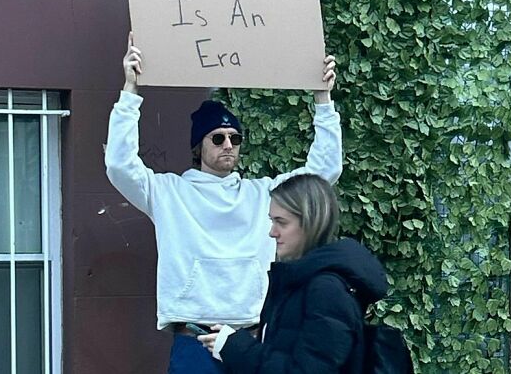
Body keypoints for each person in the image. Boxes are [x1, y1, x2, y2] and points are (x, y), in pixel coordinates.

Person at [104, 33, 342, 373]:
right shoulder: (168, 193)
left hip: (251, 340)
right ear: (198, 147)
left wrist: (323, 99)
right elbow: (119, 164)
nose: (228, 144)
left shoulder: (264, 194)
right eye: (217, 137)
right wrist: (131, 90)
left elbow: (324, 171)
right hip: (195, 340)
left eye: (235, 138)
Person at [198, 173, 388, 374]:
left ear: (310, 221)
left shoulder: (327, 290)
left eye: (282, 222)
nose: (272, 232)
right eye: (272, 220)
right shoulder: (297, 280)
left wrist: (235, 348)